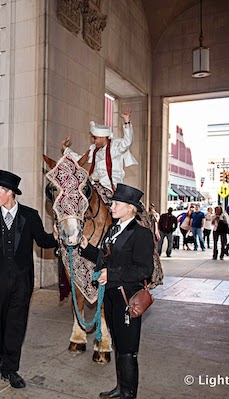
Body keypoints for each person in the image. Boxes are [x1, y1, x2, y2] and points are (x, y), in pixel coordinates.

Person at [0, 170, 57, 389]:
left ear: (10, 193)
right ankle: (1, 354)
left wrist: (58, 237)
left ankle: (11, 368)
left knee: (16, 324)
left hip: (22, 281)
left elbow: (42, 241)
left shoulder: (30, 216)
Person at [78, 184, 154, 399]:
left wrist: (111, 274)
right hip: (111, 297)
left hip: (127, 298)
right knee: (119, 345)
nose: (111, 207)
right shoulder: (113, 230)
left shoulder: (141, 234)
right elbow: (104, 259)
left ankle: (129, 393)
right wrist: (87, 248)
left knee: (128, 348)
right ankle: (121, 388)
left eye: (116, 204)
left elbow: (143, 269)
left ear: (131, 208)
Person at [60, 109, 138, 193]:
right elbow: (80, 159)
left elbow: (127, 142)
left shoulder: (115, 146)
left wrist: (126, 120)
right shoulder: (94, 149)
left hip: (113, 186)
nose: (93, 141)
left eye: (95, 138)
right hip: (95, 185)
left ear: (102, 137)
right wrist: (65, 148)